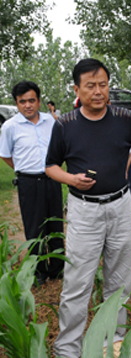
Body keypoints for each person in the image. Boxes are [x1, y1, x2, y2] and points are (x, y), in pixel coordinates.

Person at [47, 58, 131, 358]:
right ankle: (67, 350)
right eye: (90, 86)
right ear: (77, 89)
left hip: (122, 207)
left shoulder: (124, 117)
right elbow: (50, 167)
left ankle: (111, 343)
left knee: (120, 282)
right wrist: (71, 178)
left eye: (103, 85)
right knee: (77, 284)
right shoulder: (65, 125)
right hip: (84, 212)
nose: (98, 91)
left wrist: (130, 158)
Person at [0, 81, 64, 286]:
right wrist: (22, 168)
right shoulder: (10, 127)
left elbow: (60, 148)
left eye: (31, 100)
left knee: (55, 224)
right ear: (16, 104)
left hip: (53, 180)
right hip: (28, 181)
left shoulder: (51, 122)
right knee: (34, 228)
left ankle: (57, 268)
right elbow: (5, 155)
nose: (27, 105)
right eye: (22, 102)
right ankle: (38, 271)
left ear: (38, 101)